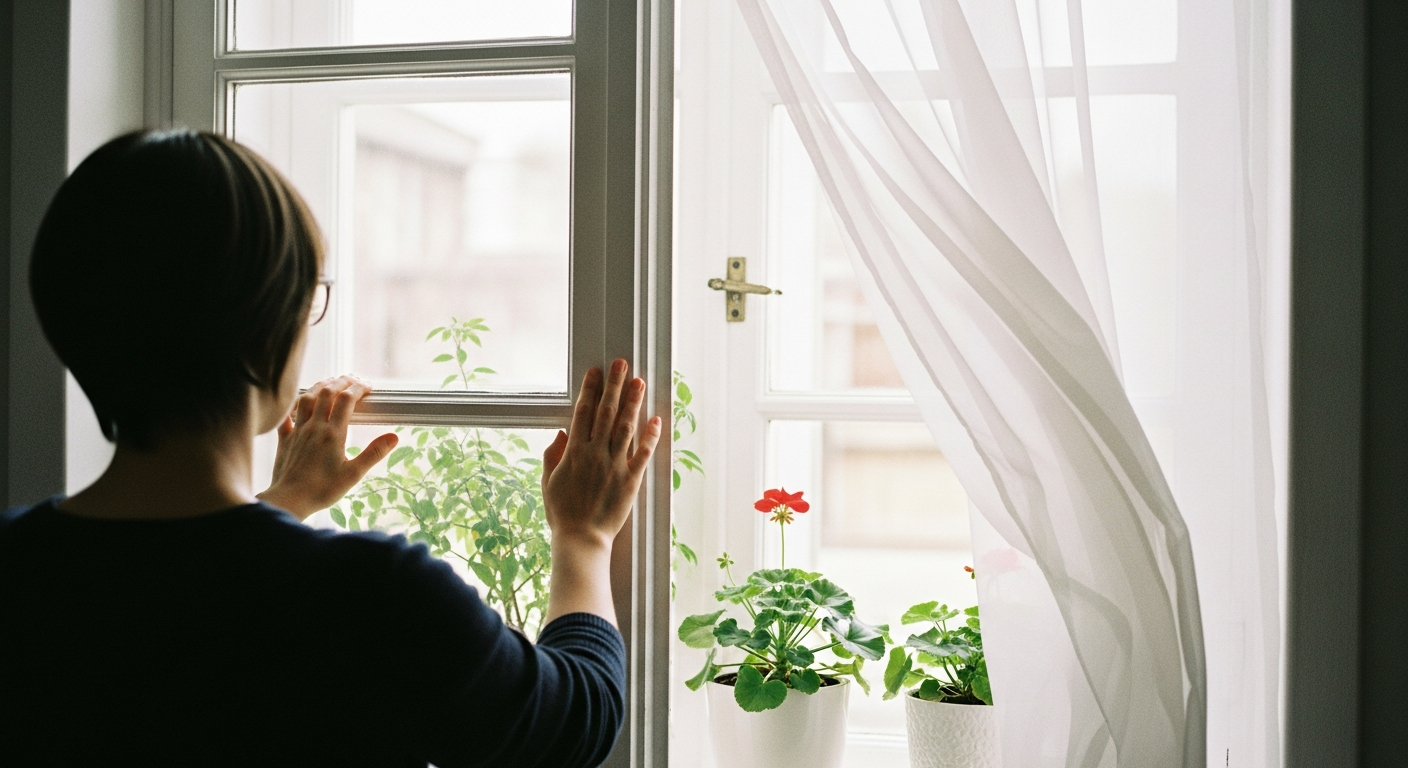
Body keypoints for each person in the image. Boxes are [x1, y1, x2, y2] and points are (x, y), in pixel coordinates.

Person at [0, 129, 660, 767]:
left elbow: (166, 597)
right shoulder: (368, 596)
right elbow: (576, 719)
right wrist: (583, 537)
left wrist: (279, 504)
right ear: (267, 336)